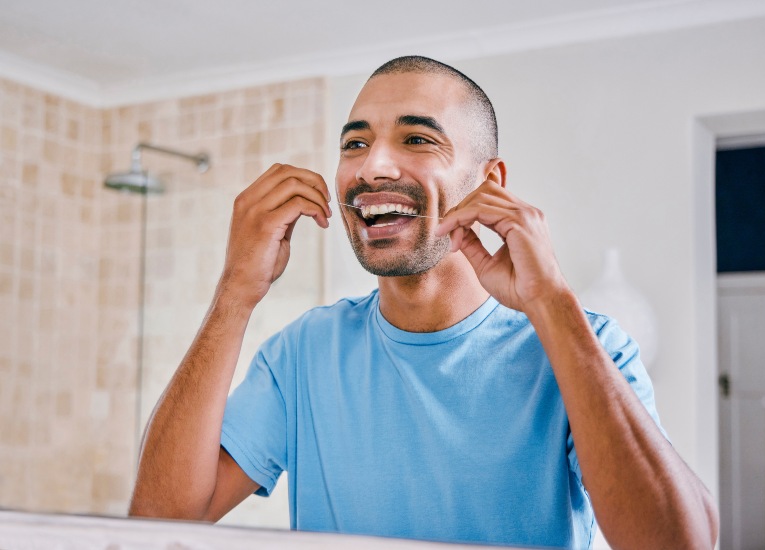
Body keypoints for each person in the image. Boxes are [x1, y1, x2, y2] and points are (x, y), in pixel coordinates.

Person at [129, 56, 718, 549]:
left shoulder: (584, 344)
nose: (372, 166)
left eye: (416, 139)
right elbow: (157, 526)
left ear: (491, 182)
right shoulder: (304, 355)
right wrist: (236, 291)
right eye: (354, 143)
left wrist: (552, 304)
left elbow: (678, 542)